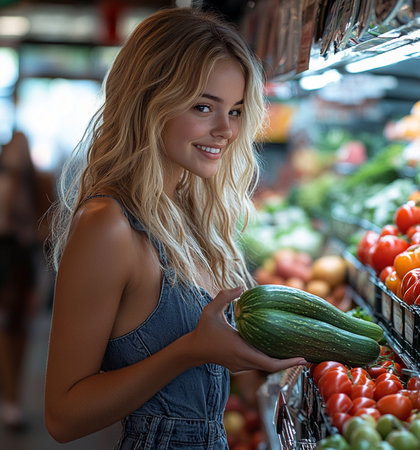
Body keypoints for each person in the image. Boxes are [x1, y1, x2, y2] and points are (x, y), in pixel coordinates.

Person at [44, 7, 305, 448]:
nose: (226, 130)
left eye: (237, 110)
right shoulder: (108, 224)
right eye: (204, 107)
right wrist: (191, 352)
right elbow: (62, 416)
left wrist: (237, 353)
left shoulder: (186, 209)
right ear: (149, 102)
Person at [0, 131, 39, 431]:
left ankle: (13, 400)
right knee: (6, 334)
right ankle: (10, 401)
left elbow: (46, 227)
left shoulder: (38, 183)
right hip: (6, 260)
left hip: (23, 264)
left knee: (19, 332)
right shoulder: (8, 182)